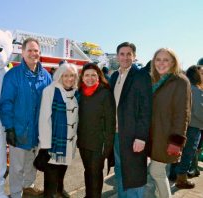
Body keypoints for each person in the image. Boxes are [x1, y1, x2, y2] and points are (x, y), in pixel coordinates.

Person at [0, 37, 52, 198]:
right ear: (22, 52)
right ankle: (16, 194)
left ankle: (28, 191)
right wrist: (9, 128)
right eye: (29, 50)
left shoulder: (46, 76)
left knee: (32, 165)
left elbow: (49, 104)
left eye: (36, 50)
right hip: (19, 131)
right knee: (17, 168)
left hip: (38, 133)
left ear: (40, 53)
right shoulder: (13, 75)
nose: (33, 53)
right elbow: (6, 103)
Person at [109, 42, 152, 198]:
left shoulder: (141, 76)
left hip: (134, 136)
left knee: (134, 176)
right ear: (117, 56)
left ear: (134, 56)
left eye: (129, 54)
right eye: (122, 54)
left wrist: (141, 137)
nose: (125, 57)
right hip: (116, 135)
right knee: (120, 172)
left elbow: (146, 110)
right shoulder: (114, 76)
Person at [148, 48, 191, 196]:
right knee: (158, 172)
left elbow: (182, 114)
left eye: (166, 59)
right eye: (158, 59)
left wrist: (176, 142)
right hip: (155, 135)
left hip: (167, 136)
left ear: (173, 62)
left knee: (156, 171)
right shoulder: (156, 80)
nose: (161, 63)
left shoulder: (180, 81)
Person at [38, 62, 79, 197]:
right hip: (53, 145)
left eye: (72, 76)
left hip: (68, 144)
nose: (69, 79)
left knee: (61, 173)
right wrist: (45, 146)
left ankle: (59, 191)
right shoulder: (50, 91)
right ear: (59, 76)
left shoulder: (75, 93)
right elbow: (44, 119)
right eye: (66, 75)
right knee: (51, 179)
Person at [77, 62, 116, 198]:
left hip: (99, 144)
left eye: (93, 75)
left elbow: (111, 122)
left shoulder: (105, 93)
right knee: (88, 171)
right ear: (82, 77)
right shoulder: (79, 93)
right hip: (83, 142)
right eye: (87, 75)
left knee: (95, 173)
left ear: (99, 76)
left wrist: (108, 146)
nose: (90, 78)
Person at [171, 65, 203, 189]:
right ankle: (181, 179)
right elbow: (199, 112)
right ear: (197, 75)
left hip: (180, 126)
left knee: (176, 152)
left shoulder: (184, 88)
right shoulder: (196, 90)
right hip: (193, 127)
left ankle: (174, 174)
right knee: (188, 153)